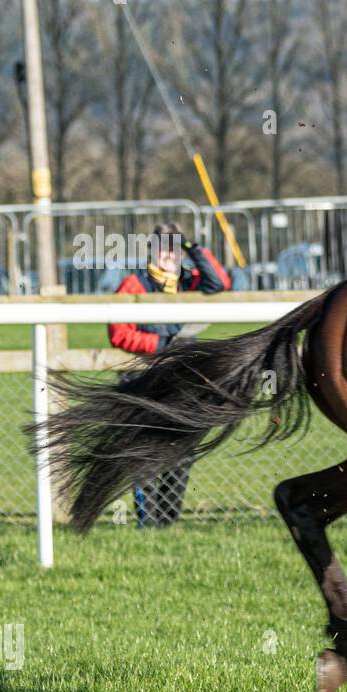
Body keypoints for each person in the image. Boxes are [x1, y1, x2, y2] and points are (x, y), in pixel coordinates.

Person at [110, 223, 232, 526]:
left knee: (182, 452)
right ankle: (148, 523)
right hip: (142, 377)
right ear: (152, 250)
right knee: (145, 452)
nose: (169, 254)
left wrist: (193, 248)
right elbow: (118, 333)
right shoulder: (133, 283)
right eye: (163, 247)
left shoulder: (190, 282)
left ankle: (168, 522)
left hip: (182, 380)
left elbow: (219, 283)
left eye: (174, 248)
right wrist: (161, 345)